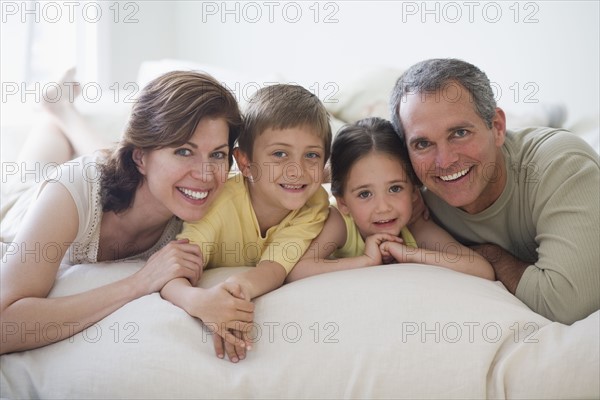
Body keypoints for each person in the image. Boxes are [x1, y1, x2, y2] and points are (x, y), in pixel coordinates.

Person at [0, 70, 247, 354]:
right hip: (19, 201)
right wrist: (139, 282)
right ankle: (59, 110)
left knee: (111, 160)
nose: (206, 176)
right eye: (183, 151)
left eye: (217, 154)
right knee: (37, 169)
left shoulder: (208, 207)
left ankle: (61, 108)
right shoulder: (71, 191)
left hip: (121, 176)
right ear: (140, 156)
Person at [389, 58, 600, 324]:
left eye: (460, 133)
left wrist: (491, 255)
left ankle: (545, 116)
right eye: (422, 143)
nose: (445, 161)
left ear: (497, 127)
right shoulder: (411, 198)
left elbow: (566, 306)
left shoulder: (563, 164)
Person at [160, 84, 331, 363]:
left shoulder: (314, 205)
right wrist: (201, 302)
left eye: (311, 155)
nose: (296, 170)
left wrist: (237, 291)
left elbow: (274, 268)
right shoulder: (219, 201)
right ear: (245, 163)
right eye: (279, 154)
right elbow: (173, 270)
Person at [286, 117, 494, 282]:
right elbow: (297, 270)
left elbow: (481, 269)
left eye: (395, 188)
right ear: (343, 202)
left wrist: (409, 254)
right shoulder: (339, 222)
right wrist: (366, 261)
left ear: (414, 193)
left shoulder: (415, 223)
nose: (384, 208)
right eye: (365, 194)